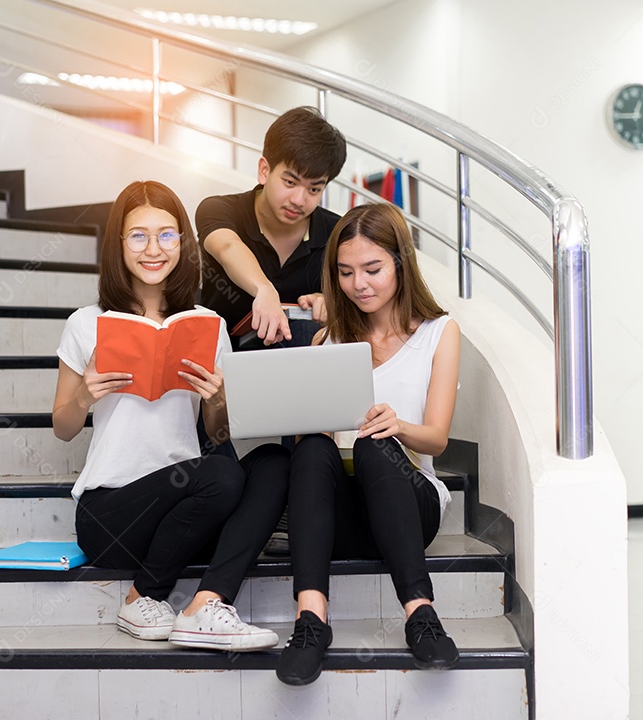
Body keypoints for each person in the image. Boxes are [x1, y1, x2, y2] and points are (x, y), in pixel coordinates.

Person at [53, 180, 288, 652]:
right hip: (113, 517)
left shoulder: (208, 324)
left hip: (187, 516)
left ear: (183, 242)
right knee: (219, 474)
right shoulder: (86, 322)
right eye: (138, 236)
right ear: (118, 245)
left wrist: (216, 398)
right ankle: (145, 597)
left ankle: (205, 605)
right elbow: (62, 427)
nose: (153, 249)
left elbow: (219, 433)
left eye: (167, 234)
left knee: (273, 463)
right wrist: (83, 394)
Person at [275, 202, 463, 685]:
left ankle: (421, 614)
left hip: (406, 505)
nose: (359, 284)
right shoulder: (327, 341)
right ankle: (311, 621)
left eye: (373, 269)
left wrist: (397, 425)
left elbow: (438, 440)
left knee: (375, 444)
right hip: (341, 519)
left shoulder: (439, 334)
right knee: (314, 449)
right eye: (345, 272)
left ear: (401, 262)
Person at [196, 106, 348, 350]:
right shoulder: (219, 209)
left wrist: (331, 303)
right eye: (290, 182)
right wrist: (264, 290)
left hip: (305, 369)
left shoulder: (338, 233)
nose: (299, 200)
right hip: (221, 367)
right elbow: (227, 246)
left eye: (314, 189)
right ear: (264, 170)